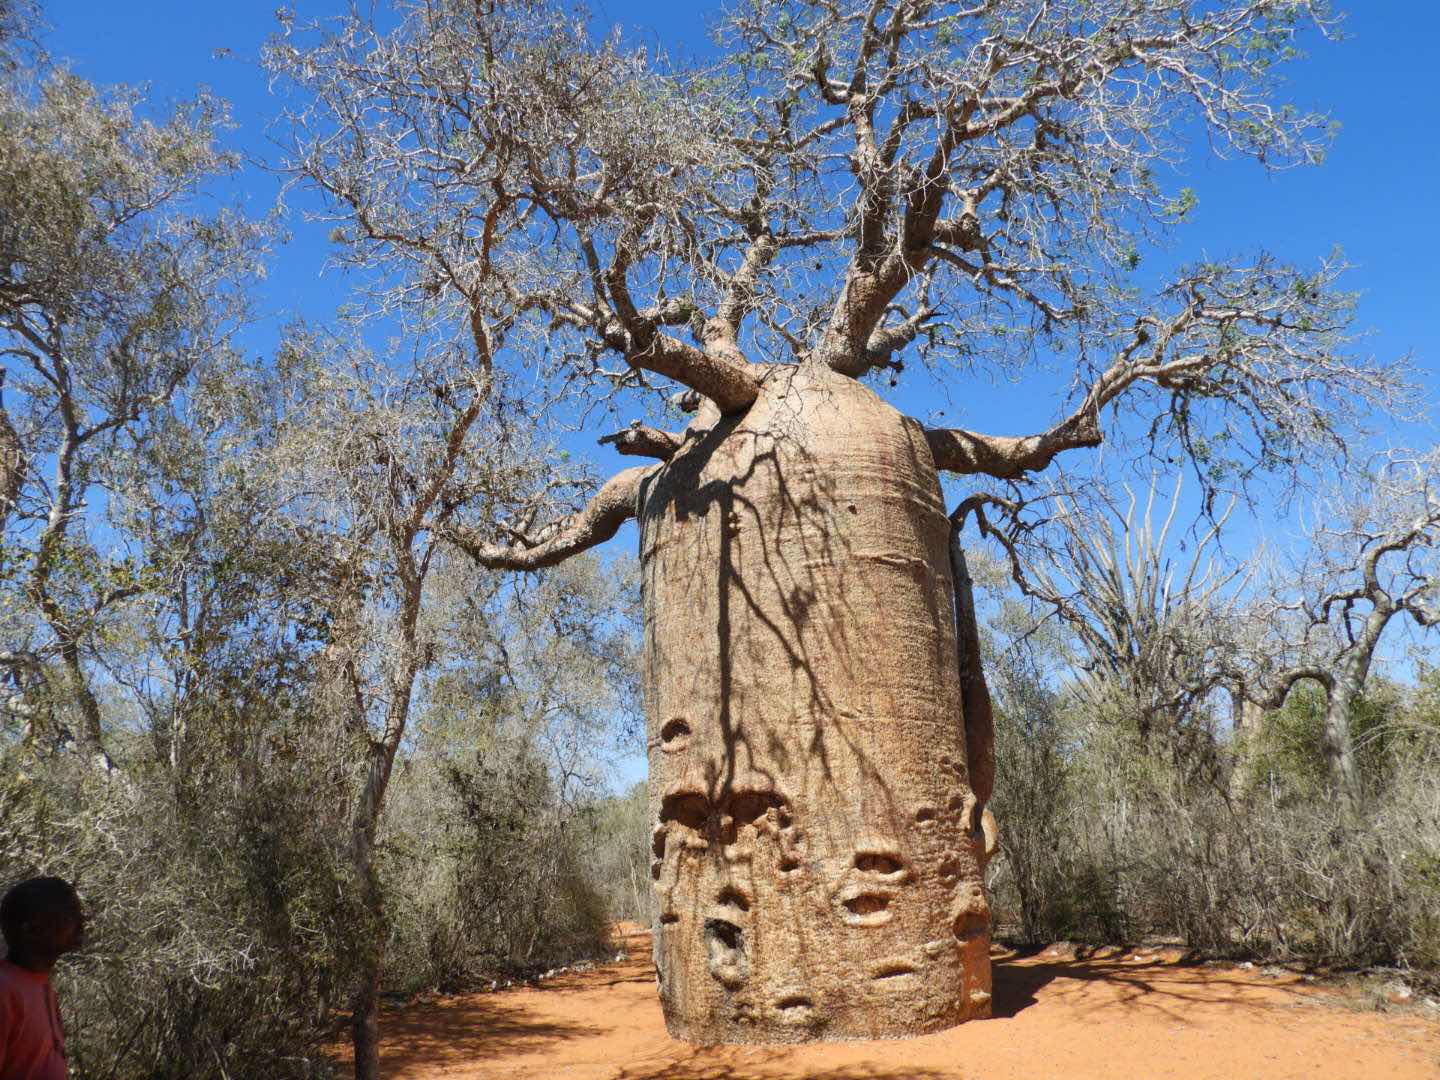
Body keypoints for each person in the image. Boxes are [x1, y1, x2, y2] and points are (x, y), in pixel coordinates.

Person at [0, 877, 84, 1080]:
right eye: (70, 914)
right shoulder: (4, 991)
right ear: (31, 930)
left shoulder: (42, 986)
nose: (81, 922)